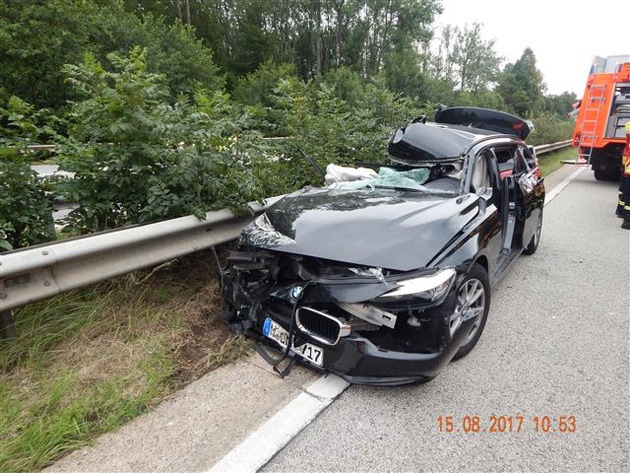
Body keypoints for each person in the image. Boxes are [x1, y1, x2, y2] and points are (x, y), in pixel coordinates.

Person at [618, 120, 630, 229]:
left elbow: (625, 156)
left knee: (626, 195)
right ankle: (627, 220)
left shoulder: (628, 146)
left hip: (627, 172)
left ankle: (621, 212)